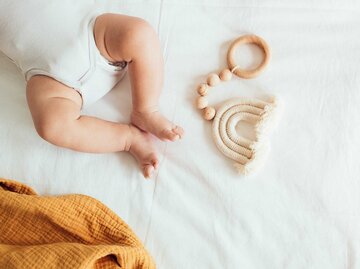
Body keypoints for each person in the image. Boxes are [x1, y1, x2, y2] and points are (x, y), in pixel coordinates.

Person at [0, 2, 184, 178]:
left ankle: (146, 109)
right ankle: (127, 139)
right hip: (49, 77)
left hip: (93, 35)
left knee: (139, 34)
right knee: (52, 125)